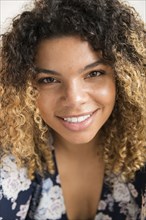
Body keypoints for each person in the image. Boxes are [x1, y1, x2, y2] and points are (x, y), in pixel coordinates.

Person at [0, 0, 146, 219]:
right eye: (49, 79)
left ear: (125, 77)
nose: (75, 99)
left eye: (94, 73)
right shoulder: (9, 161)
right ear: (25, 87)